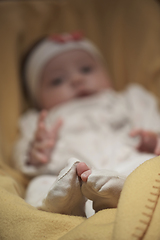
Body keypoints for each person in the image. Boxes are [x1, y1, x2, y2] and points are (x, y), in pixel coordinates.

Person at [14, 32, 160, 217]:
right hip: (70, 177)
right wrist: (36, 152)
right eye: (57, 80)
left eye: (86, 69)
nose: (77, 79)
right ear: (38, 98)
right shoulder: (39, 121)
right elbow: (22, 155)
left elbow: (151, 124)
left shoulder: (126, 99)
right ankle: (63, 202)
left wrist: (151, 139)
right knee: (39, 184)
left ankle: (118, 191)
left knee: (148, 166)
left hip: (126, 161)